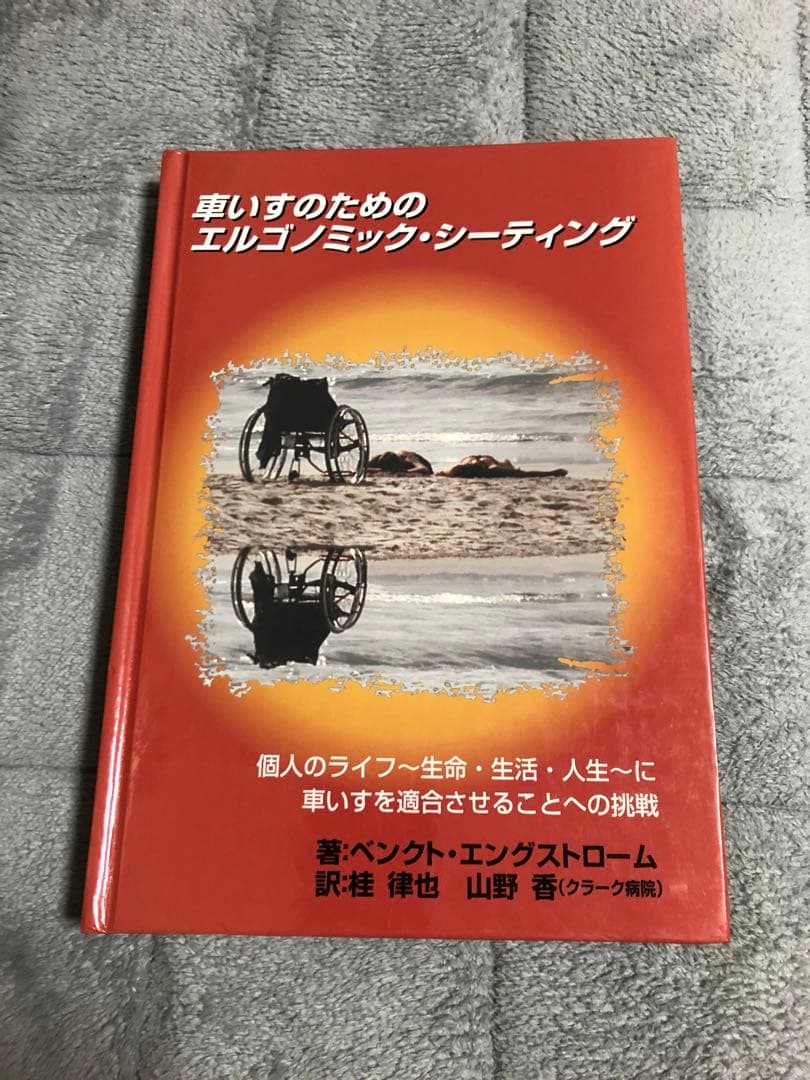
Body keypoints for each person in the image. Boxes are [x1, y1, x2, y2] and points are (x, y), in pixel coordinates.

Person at [437, 454, 567, 479]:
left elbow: (439, 474)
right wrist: (550, 473)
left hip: (470, 464)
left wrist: (551, 473)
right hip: (479, 464)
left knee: (502, 468)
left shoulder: (459, 469)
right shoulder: (492, 467)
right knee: (503, 468)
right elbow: (523, 474)